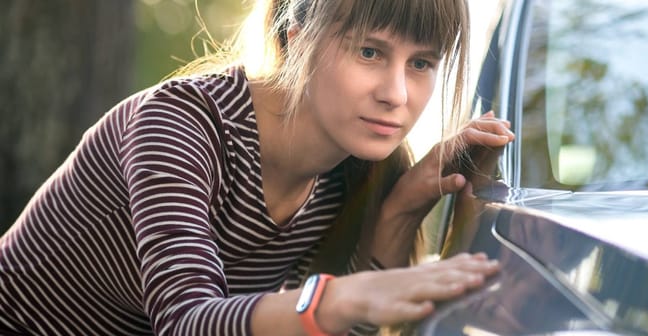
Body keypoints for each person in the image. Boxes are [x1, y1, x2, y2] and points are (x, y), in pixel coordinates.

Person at [0, 0, 515, 335]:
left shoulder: (353, 169)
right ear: (295, 37)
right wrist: (333, 300)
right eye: (369, 51)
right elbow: (187, 323)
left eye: (421, 64)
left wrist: (402, 208)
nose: (396, 94)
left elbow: (332, 326)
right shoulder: (181, 124)